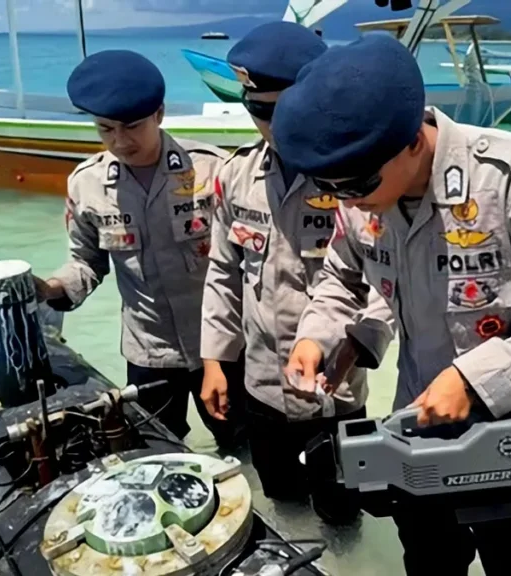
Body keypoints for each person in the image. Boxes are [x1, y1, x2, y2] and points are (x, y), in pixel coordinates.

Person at [275, 35, 511, 575]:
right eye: (329, 188)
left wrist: (475, 379)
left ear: (414, 140)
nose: (347, 201)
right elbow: (343, 276)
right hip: (416, 450)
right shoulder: (360, 192)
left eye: (357, 184)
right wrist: (322, 334)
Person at [199, 22, 393, 523]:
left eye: (277, 108)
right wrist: (216, 361)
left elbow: (383, 277)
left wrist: (360, 344)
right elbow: (223, 271)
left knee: (343, 512)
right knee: (281, 501)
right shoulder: (235, 176)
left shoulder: (352, 176)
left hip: (337, 388)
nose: (267, 123)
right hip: (262, 383)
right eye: (254, 109)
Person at [36, 50, 246, 450]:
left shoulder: (212, 169)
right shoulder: (87, 184)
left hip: (221, 348)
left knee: (242, 447)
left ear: (160, 114)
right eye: (105, 129)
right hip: (149, 353)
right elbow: (86, 262)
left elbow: (246, 262)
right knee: (158, 452)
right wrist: (51, 288)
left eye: (131, 127)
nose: (120, 140)